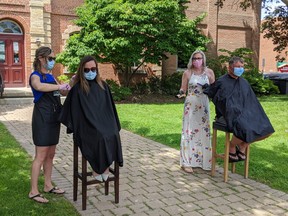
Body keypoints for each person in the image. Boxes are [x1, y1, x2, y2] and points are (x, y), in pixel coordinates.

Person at [59, 55, 123, 182]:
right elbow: (72, 110)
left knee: (112, 133)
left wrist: (111, 125)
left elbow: (109, 110)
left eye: (93, 69)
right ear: (81, 71)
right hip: (85, 125)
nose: (90, 72)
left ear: (97, 69)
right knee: (99, 136)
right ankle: (98, 167)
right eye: (87, 70)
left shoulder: (103, 86)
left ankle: (104, 166)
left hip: (103, 122)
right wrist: (71, 83)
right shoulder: (77, 88)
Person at [204, 56, 275, 162]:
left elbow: (251, 101)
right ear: (230, 67)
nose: (240, 69)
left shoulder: (244, 83)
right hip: (228, 114)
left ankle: (242, 146)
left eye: (242, 67)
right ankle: (231, 146)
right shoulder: (222, 81)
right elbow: (215, 95)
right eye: (237, 67)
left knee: (267, 128)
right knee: (244, 126)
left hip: (246, 112)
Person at [29, 46, 71, 203]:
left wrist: (69, 84)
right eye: (51, 58)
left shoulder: (52, 77)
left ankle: (47, 185)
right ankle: (33, 191)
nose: (53, 61)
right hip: (42, 119)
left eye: (54, 59)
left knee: (51, 154)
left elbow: (62, 92)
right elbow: (39, 87)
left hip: (54, 119)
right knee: (40, 156)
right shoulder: (35, 76)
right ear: (41, 58)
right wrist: (59, 86)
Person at [177, 50, 215, 173]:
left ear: (203, 59)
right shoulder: (187, 73)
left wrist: (209, 89)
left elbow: (215, 89)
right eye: (194, 59)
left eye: (199, 58)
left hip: (203, 104)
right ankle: (186, 162)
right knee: (189, 131)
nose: (196, 61)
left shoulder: (209, 72)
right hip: (191, 104)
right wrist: (181, 93)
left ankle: (204, 161)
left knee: (204, 131)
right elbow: (183, 88)